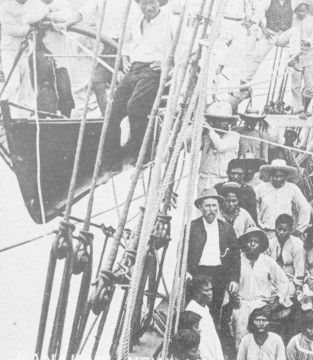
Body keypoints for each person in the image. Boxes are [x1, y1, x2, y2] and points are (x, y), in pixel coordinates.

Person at [102, 0, 177, 168]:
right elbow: (127, 42)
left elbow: (186, 46)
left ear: (159, 3)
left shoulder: (170, 20)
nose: (148, 8)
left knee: (135, 108)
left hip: (152, 70)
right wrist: (125, 60)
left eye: (152, 3)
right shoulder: (136, 19)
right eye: (144, 4)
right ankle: (113, 157)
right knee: (115, 108)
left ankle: (145, 152)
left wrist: (167, 63)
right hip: (134, 67)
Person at [64, 0, 133, 115]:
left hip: (129, 45)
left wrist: (125, 57)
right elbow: (82, 13)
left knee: (128, 83)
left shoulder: (130, 3)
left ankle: (127, 117)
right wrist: (67, 24)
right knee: (97, 81)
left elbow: (131, 28)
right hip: (110, 46)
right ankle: (108, 117)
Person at [231, 227, 291, 350]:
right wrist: (232, 298)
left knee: (260, 343)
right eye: (249, 241)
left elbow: (284, 281)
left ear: (261, 244)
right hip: (241, 305)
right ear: (244, 243)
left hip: (261, 306)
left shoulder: (267, 261)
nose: (252, 244)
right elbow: (229, 281)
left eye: (256, 241)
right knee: (241, 343)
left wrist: (276, 301)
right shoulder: (237, 261)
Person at [187, 189, 240, 324]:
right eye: (207, 206)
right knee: (194, 309)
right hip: (197, 273)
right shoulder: (191, 228)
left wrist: (234, 279)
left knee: (215, 310)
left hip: (219, 274)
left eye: (214, 205)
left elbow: (235, 256)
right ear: (200, 207)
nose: (211, 209)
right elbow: (182, 253)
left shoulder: (227, 229)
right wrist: (186, 271)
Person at [0, 0, 48, 116]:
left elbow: (44, 10)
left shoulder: (34, 4)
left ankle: (22, 117)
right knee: (13, 84)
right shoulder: (5, 7)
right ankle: (5, 112)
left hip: (27, 51)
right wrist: (28, 30)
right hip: (10, 51)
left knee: (26, 87)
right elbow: (11, 29)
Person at [240, 0, 300, 87]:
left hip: (283, 34)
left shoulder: (292, 2)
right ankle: (245, 81)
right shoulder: (268, 2)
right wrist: (264, 29)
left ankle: (292, 59)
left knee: (295, 31)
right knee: (257, 57)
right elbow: (258, 15)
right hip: (270, 33)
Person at [255, 159, 310, 236]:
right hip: (266, 232)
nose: (278, 179)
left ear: (286, 176)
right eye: (275, 176)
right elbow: (253, 207)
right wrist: (258, 224)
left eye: (281, 176)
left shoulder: (293, 188)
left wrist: (300, 229)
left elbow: (305, 208)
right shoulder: (260, 188)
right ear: (271, 175)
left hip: (285, 233)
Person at [39, 0, 75, 117]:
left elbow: (67, 16)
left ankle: (66, 114)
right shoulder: (34, 3)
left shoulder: (62, 3)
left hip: (59, 54)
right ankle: (46, 115)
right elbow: (30, 16)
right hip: (41, 51)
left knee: (63, 85)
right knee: (45, 85)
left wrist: (48, 17)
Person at [198, 105, 240, 194]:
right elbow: (192, 149)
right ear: (213, 121)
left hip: (223, 180)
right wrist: (200, 130)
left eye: (225, 120)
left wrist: (210, 130)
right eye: (218, 120)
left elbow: (221, 147)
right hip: (205, 179)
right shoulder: (207, 136)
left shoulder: (234, 136)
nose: (222, 123)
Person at [185, 275, 225, 360]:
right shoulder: (192, 311)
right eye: (206, 290)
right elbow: (198, 343)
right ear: (196, 292)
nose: (210, 293)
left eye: (211, 289)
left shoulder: (204, 307)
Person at [291, 0, 313, 117]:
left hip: (308, 54)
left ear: (307, 10)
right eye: (299, 11)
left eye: (303, 11)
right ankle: (298, 109)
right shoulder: (292, 21)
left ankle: (306, 107)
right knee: (295, 85)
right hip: (295, 56)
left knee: (310, 85)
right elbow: (290, 37)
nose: (301, 13)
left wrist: (307, 41)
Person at [267, 214, 305, 298]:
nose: (281, 232)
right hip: (272, 280)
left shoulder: (297, 244)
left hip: (289, 279)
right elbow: (265, 265)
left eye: (285, 230)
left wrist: (298, 288)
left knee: (287, 295)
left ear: (291, 230)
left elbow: (299, 266)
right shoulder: (270, 243)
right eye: (279, 229)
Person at [215, 158, 258, 223]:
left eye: (239, 174)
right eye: (233, 173)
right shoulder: (218, 188)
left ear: (243, 174)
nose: (235, 176)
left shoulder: (249, 191)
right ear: (227, 173)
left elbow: (253, 215)